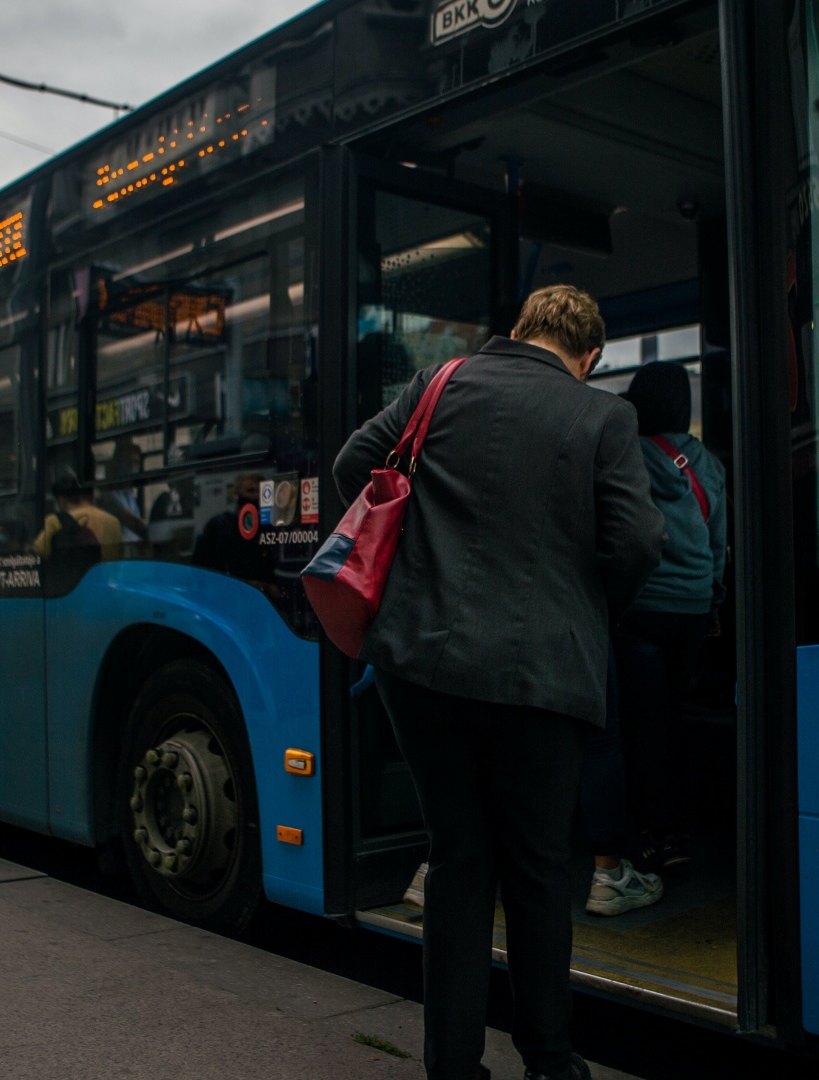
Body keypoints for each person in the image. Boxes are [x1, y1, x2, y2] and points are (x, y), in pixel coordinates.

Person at [334, 285, 665, 1080]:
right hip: (540, 675)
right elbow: (639, 545)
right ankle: (550, 1061)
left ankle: (453, 1065)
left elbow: (354, 464)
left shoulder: (440, 382)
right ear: (590, 357)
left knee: (457, 858)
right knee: (539, 868)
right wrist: (581, 606)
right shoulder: (603, 416)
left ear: (515, 331)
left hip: (421, 665)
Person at [613, 361, 728, 875]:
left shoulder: (627, 456)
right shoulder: (706, 462)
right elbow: (719, 542)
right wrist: (714, 603)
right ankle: (681, 827)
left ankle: (652, 831)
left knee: (643, 724)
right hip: (693, 610)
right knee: (677, 720)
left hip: (641, 608)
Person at [33, 472, 123, 562]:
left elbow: (40, 550)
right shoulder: (113, 521)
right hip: (105, 574)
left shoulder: (54, 520)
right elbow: (119, 553)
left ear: (61, 499)